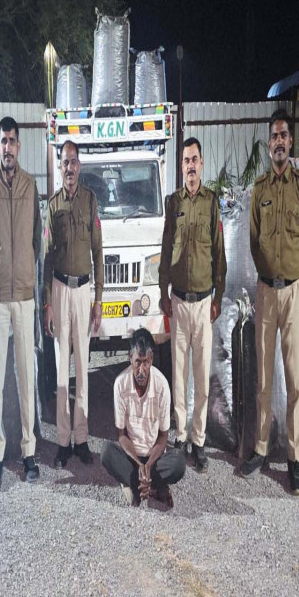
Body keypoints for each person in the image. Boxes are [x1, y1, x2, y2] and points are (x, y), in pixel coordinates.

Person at [242, 108, 299, 494]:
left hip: (293, 293)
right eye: (274, 136)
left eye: (285, 135)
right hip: (266, 293)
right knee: (264, 378)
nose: (280, 142)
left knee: (294, 379)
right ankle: (260, 449)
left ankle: (294, 459)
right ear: (268, 143)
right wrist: (267, 275)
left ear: (291, 141)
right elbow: (254, 240)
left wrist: (298, 276)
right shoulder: (260, 188)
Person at [0, 117, 42, 488]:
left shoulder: (31, 186)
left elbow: (37, 239)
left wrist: (26, 272)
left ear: (19, 146)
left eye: (12, 141)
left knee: (25, 376)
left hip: (24, 296)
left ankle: (29, 451)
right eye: (3, 141)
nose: (7, 147)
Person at [159, 137, 226, 473]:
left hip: (202, 304)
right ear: (182, 165)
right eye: (185, 160)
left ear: (202, 163)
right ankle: (181, 435)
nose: (190, 166)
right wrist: (162, 291)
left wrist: (219, 296)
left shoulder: (211, 203)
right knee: (178, 375)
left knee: (201, 376)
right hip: (178, 302)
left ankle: (199, 440)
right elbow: (165, 247)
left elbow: (219, 253)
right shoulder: (173, 202)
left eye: (194, 160)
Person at [43, 141, 103, 468]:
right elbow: (47, 257)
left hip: (82, 293)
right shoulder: (53, 206)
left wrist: (99, 299)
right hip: (59, 290)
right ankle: (63, 441)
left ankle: (81, 439)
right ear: (60, 166)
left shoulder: (90, 201)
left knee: (82, 369)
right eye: (65, 162)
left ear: (79, 166)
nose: (70, 168)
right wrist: (47, 304)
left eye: (74, 162)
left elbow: (98, 251)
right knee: (61, 372)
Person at [101, 328, 186, 507]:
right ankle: (151, 485)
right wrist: (139, 464)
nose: (141, 370)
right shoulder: (120, 384)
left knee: (178, 462)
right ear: (130, 358)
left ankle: (137, 485)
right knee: (107, 452)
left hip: (155, 458)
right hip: (132, 457)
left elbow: (163, 437)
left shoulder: (162, 385)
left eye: (146, 362)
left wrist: (148, 466)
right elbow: (122, 435)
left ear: (152, 359)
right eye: (137, 362)